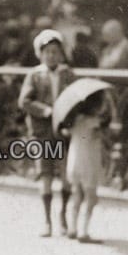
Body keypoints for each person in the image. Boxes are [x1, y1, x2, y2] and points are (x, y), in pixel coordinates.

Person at [18, 29, 74, 237]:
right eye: (47, 52)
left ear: (61, 54)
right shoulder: (34, 75)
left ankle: (64, 216)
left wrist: (67, 114)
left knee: (66, 175)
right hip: (42, 134)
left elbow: (76, 100)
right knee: (46, 175)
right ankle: (47, 220)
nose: (51, 56)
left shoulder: (67, 74)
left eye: (55, 52)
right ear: (40, 54)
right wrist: (46, 110)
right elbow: (24, 101)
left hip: (63, 133)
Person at [63, 89, 113, 243]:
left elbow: (65, 132)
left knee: (77, 194)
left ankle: (72, 227)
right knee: (90, 197)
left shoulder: (76, 120)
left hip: (74, 162)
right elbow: (104, 129)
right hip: (88, 162)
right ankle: (83, 231)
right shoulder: (95, 123)